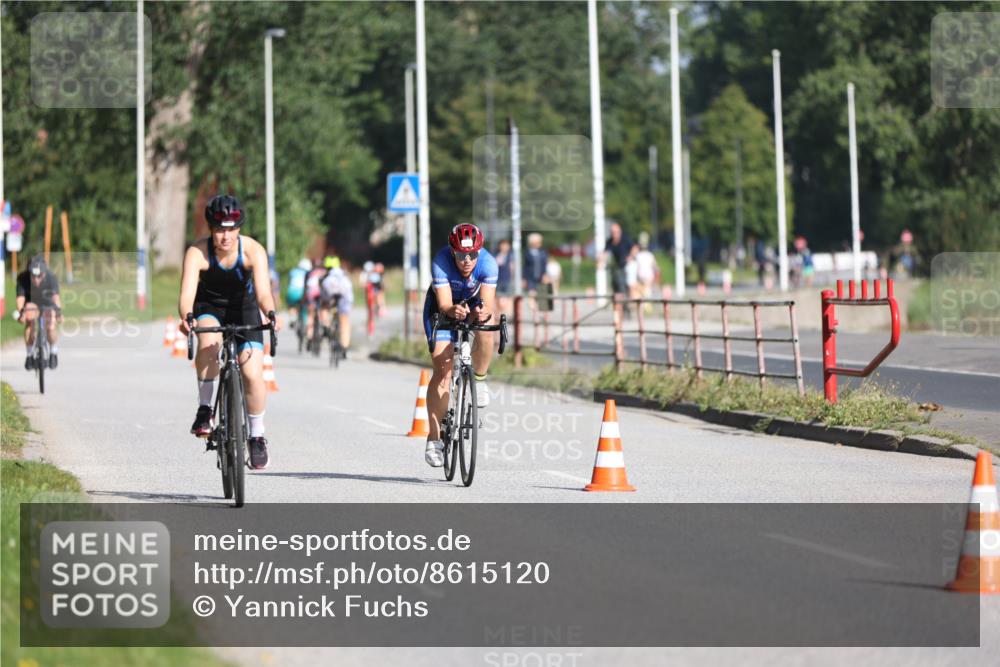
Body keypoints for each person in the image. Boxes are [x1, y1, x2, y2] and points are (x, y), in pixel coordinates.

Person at [177, 194, 280, 470]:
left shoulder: (253, 251)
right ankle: (205, 409)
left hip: (244, 308)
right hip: (209, 305)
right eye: (220, 229)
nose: (226, 235)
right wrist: (187, 316)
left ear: (239, 228)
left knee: (251, 373)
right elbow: (186, 295)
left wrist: (271, 314)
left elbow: (263, 293)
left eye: (231, 228)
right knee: (209, 343)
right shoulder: (197, 252)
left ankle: (256, 436)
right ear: (211, 229)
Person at [422, 223, 498, 468]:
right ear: (451, 251)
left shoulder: (488, 264)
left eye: (472, 255)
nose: (467, 260)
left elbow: (486, 304)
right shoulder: (441, 262)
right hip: (441, 308)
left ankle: (479, 378)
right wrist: (452, 311)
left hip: (472, 301)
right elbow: (444, 305)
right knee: (443, 371)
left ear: (479, 252)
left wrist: (480, 314)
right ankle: (434, 439)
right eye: (461, 255)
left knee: (487, 323)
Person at [15, 255, 63, 369]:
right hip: (30, 302)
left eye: (39, 276)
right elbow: (20, 299)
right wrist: (21, 314)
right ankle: (30, 354)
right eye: (33, 276)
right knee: (29, 321)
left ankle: (53, 352)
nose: (36, 279)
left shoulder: (51, 278)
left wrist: (58, 313)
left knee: (51, 324)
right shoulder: (23, 278)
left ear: (44, 273)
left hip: (47, 301)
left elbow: (56, 298)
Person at [320, 257, 353, 351]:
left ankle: (326, 326)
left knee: (324, 305)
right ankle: (345, 347)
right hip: (345, 291)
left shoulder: (326, 275)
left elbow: (323, 292)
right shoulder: (343, 273)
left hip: (330, 288)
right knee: (344, 320)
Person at [605, 221, 632, 299]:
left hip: (625, 267)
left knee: (623, 286)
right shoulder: (609, 241)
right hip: (615, 268)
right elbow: (605, 252)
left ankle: (626, 304)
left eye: (616, 232)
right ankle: (618, 306)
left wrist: (630, 256)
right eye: (612, 232)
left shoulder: (625, 240)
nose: (614, 234)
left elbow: (634, 248)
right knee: (615, 286)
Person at [286, 258, 310, 330]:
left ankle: (292, 318)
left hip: (291, 291)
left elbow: (289, 281)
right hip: (302, 292)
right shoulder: (308, 273)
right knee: (304, 307)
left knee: (292, 305)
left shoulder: (293, 271)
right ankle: (305, 322)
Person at [494, 238, 514, 315]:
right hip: (498, 280)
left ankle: (506, 315)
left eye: (506, 245)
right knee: (498, 300)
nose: (504, 247)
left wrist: (512, 279)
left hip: (507, 280)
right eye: (503, 245)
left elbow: (512, 268)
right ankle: (498, 315)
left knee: (507, 299)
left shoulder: (510, 256)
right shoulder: (496, 255)